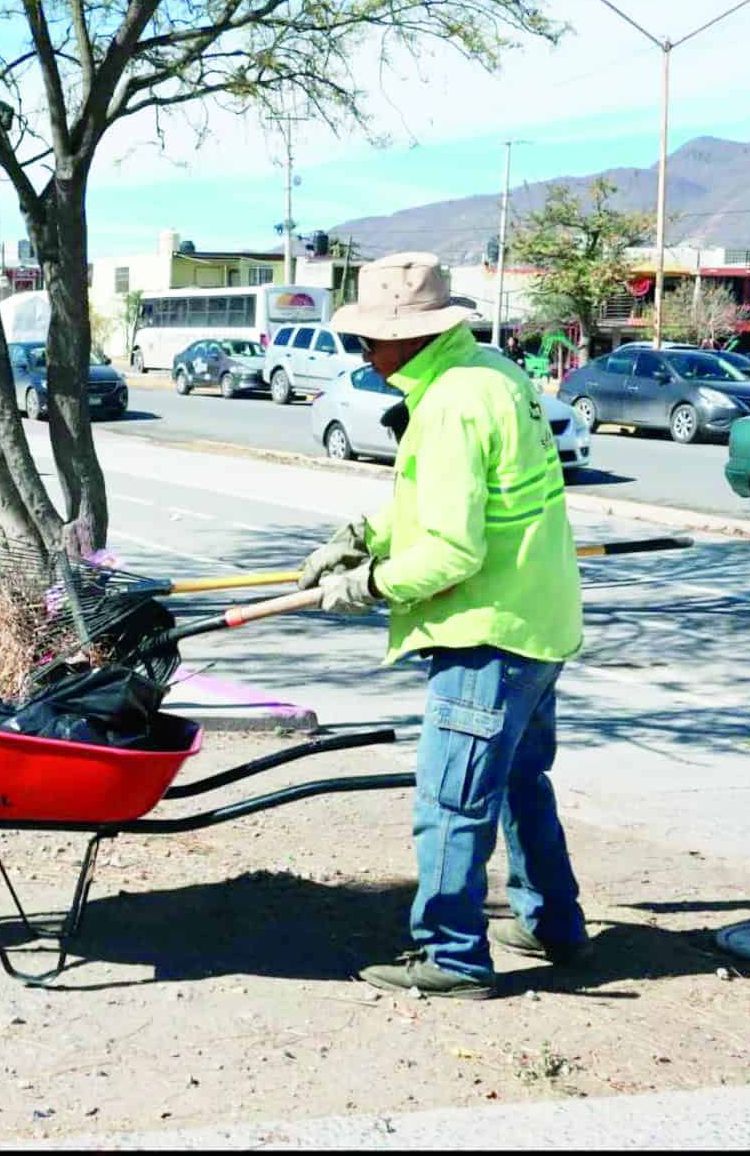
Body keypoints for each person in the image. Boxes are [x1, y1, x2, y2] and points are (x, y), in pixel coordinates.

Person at [298, 251, 586, 1000]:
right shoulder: (490, 374)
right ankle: (553, 921)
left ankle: (453, 955)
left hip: (485, 633)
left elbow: (455, 548)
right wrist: (360, 531)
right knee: (521, 779)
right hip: (537, 622)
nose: (363, 354)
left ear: (412, 335)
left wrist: (370, 584)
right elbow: (435, 502)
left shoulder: (452, 405)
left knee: (451, 800)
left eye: (369, 340)